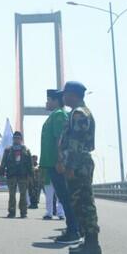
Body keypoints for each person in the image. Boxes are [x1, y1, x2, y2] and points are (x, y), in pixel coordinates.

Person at [58, 81, 101, 254]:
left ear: (73, 95)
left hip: (79, 163)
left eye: (65, 93)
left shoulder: (78, 113)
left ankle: (92, 244)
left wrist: (70, 166)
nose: (63, 96)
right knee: (80, 202)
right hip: (80, 162)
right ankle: (89, 241)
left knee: (83, 203)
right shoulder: (79, 112)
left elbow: (76, 142)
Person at [39, 89, 76, 240]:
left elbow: (60, 140)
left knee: (65, 197)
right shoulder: (55, 115)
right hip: (52, 163)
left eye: (49, 99)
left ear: (56, 100)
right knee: (63, 196)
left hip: (57, 164)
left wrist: (60, 161)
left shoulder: (59, 114)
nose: (46, 102)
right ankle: (72, 229)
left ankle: (74, 230)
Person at [0, 131, 33, 218]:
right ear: (13, 139)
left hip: (23, 175)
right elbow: (3, 162)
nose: (16, 139)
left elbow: (30, 164)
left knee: (23, 194)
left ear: (21, 139)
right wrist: (1, 172)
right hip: (11, 175)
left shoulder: (26, 150)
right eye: (15, 138)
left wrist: (31, 175)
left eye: (18, 138)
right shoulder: (8, 150)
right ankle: (11, 211)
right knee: (12, 195)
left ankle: (23, 212)